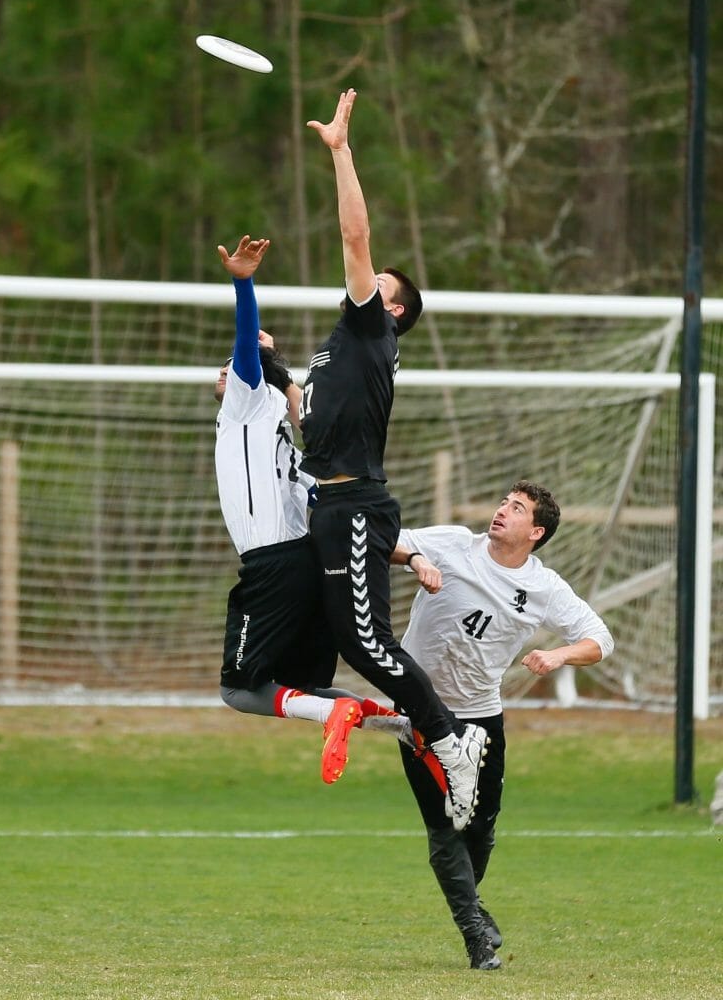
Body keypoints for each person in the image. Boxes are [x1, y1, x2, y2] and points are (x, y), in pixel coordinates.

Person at [300, 88, 487, 832]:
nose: (368, 282)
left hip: (355, 503)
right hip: (331, 502)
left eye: (382, 285)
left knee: (368, 643)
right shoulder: (339, 349)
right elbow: (307, 409)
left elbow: (354, 236)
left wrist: (342, 151)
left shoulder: (371, 327)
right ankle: (432, 729)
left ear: (395, 310)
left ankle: (449, 736)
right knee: (351, 642)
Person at [391, 480, 615, 971]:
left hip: (482, 715)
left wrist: (558, 654)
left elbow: (601, 640)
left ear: (535, 531)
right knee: (444, 825)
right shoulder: (452, 544)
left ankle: (472, 905)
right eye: (502, 503)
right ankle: (474, 937)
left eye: (516, 509)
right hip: (423, 712)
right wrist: (415, 560)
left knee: (481, 827)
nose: (501, 512)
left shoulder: (544, 587)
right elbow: (381, 539)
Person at [214, 234, 408, 785]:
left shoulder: (249, 402)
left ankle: (338, 713)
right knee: (298, 686)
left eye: (232, 365)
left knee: (240, 688)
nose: (225, 372)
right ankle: (405, 725)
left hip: (271, 564)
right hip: (311, 559)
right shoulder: (296, 448)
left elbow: (248, 351)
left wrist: (244, 283)